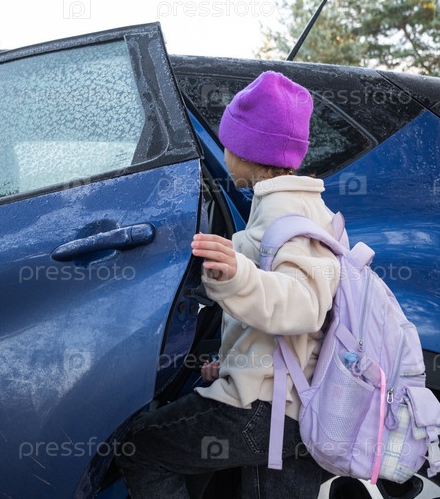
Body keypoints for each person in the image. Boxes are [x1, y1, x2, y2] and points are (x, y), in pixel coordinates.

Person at [115, 71, 341, 498]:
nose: (224, 152)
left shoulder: (284, 213)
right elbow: (280, 324)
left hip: (265, 407)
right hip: (290, 403)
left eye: (227, 144)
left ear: (247, 151)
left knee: (141, 449)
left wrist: (239, 276)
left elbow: (306, 306)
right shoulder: (305, 207)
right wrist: (235, 361)